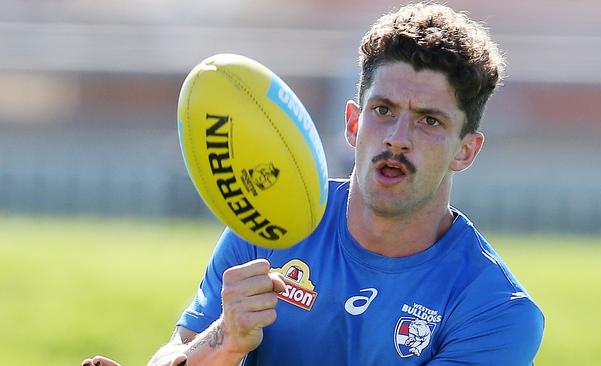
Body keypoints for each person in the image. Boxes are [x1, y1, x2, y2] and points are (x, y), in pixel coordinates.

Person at [83, 2, 544, 365]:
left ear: (466, 150)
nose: (397, 139)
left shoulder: (496, 312)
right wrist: (224, 341)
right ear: (352, 123)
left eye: (429, 120)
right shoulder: (269, 221)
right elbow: (174, 355)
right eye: (382, 110)